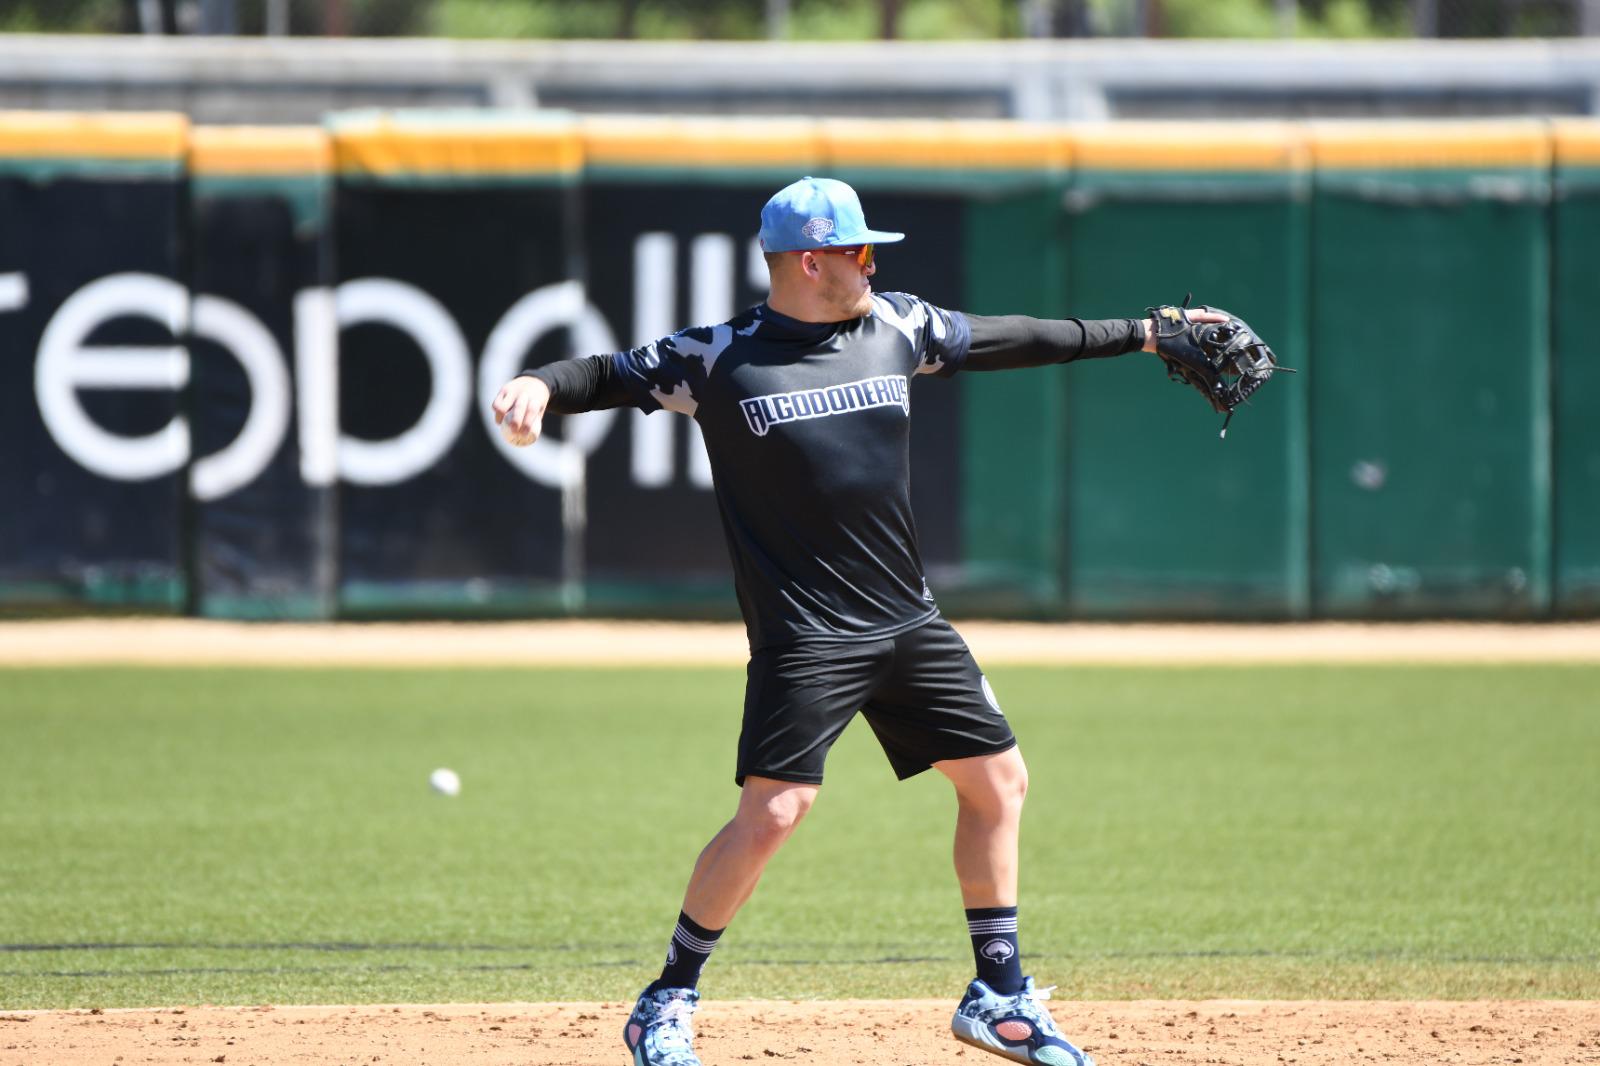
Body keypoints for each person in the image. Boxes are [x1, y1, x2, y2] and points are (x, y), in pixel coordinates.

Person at [492, 176, 1226, 1066]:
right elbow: (605, 374)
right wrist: (536, 382)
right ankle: (667, 998)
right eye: (859, 249)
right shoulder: (719, 359)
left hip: (908, 620)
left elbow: (1018, 338)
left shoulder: (898, 326)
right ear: (810, 261)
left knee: (998, 783)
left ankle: (997, 995)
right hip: (807, 632)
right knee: (774, 814)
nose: (873, 262)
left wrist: (1143, 334)